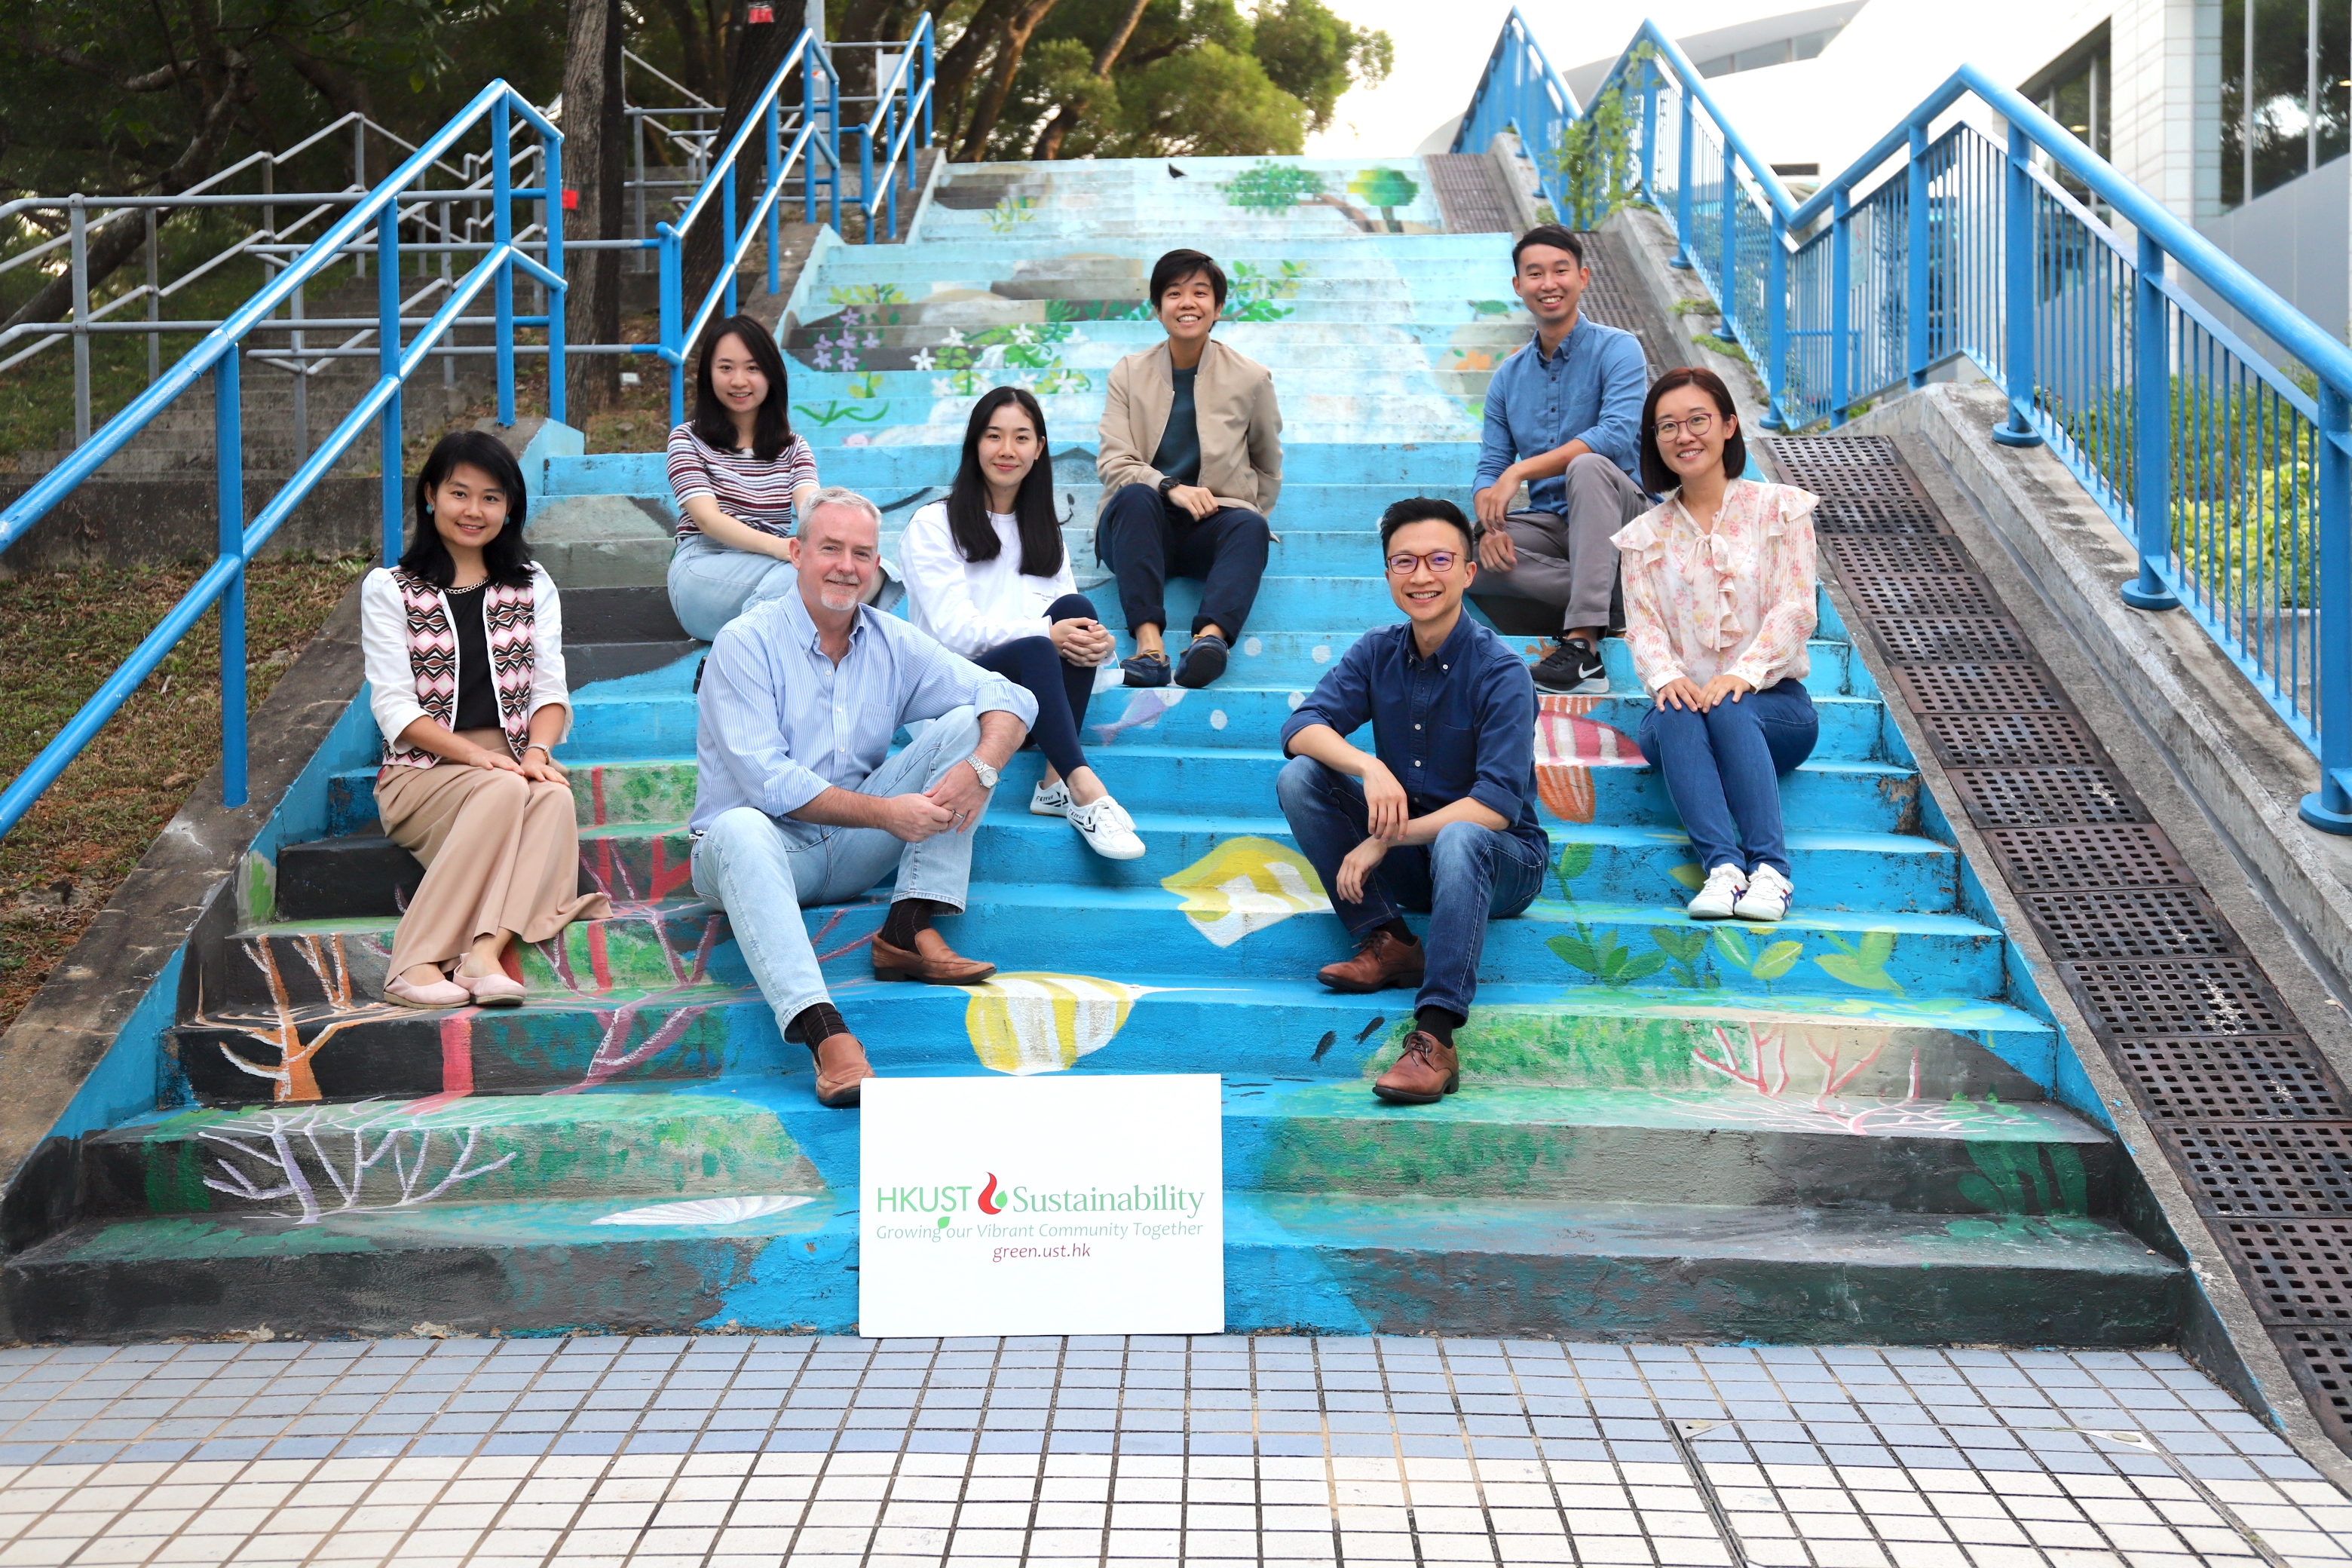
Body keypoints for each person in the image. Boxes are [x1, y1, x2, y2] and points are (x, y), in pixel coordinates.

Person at [690, 487, 1038, 1109]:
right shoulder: (745, 643)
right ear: (796, 553)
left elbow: (1011, 695)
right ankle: (824, 1032)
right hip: (759, 854)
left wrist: (982, 768)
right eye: (830, 549)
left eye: (862, 553)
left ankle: (908, 925)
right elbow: (770, 785)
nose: (847, 566)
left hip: (849, 848)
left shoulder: (891, 639)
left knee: (968, 725)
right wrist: (886, 813)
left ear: (878, 567)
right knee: (741, 827)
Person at [1276, 498, 1548, 1106]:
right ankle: (1388, 940)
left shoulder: (1501, 670)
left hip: (1503, 863)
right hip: (1420, 866)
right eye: (1405, 561)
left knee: (1460, 835)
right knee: (1300, 776)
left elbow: (1495, 807)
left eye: (1439, 559)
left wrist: (1384, 838)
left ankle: (1437, 1035)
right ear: (1388, 574)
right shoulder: (1378, 650)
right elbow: (1302, 727)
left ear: (1469, 572)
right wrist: (1368, 765)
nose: (1421, 575)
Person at [361, 430, 609, 1009]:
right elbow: (393, 705)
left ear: (510, 508)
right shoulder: (391, 589)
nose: (475, 511)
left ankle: (481, 957)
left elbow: (550, 688)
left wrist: (536, 755)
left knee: (553, 799)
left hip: (507, 770)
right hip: (422, 775)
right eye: (460, 493)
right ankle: (413, 962)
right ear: (430, 496)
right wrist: (481, 758)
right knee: (504, 788)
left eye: (491, 497)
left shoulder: (531, 584)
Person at [900, 387, 1145, 861]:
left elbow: (1061, 622)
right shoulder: (933, 524)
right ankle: (1084, 787)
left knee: (1079, 611)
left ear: (1040, 447)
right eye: (993, 436)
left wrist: (1100, 645)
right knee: (1037, 644)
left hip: (1030, 710)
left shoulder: (1042, 529)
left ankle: (1054, 783)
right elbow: (955, 633)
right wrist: (1044, 636)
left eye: (1020, 438)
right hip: (954, 703)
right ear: (975, 444)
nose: (1007, 450)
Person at [1615, 366, 1821, 923]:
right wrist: (1665, 677)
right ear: (1654, 441)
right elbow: (1645, 627)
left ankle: (1771, 873)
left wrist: (1743, 674)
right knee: (1677, 710)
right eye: (1667, 426)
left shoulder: (1780, 509)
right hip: (1682, 720)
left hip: (1775, 710)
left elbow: (1796, 605)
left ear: (1729, 425)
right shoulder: (1643, 536)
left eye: (1697, 420)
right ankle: (1724, 870)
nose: (1684, 436)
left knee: (1730, 708)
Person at [1470, 224, 1652, 694]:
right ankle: (1617, 593)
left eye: (1560, 271)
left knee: (1587, 466)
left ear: (1584, 277)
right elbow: (1490, 468)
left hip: (1623, 516)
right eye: (1534, 273)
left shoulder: (1619, 349)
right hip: (1552, 526)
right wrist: (1490, 521)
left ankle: (1584, 650)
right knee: (1460, 553)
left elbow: (1614, 435)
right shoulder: (1508, 378)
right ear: (1518, 286)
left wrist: (1522, 471)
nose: (1548, 283)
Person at [1095, 247, 1282, 690]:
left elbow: (1267, 462)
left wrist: (1238, 509)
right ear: (1158, 308)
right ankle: (1149, 647)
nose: (1188, 303)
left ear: (1217, 308)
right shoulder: (1128, 373)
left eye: (1200, 292)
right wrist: (1168, 487)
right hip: (1138, 527)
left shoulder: (1251, 378)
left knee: (1251, 525)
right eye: (1175, 293)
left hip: (1207, 528)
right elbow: (1113, 461)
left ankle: (1209, 643)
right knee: (1137, 495)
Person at [666, 314, 821, 642]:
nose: (739, 381)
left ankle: (745, 646)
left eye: (752, 368)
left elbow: (812, 511)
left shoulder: (793, 448)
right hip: (704, 567)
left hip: (775, 568)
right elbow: (708, 521)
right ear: (708, 375)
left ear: (772, 376)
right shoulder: (687, 439)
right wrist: (784, 549)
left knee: (872, 572)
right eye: (726, 368)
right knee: (808, 579)